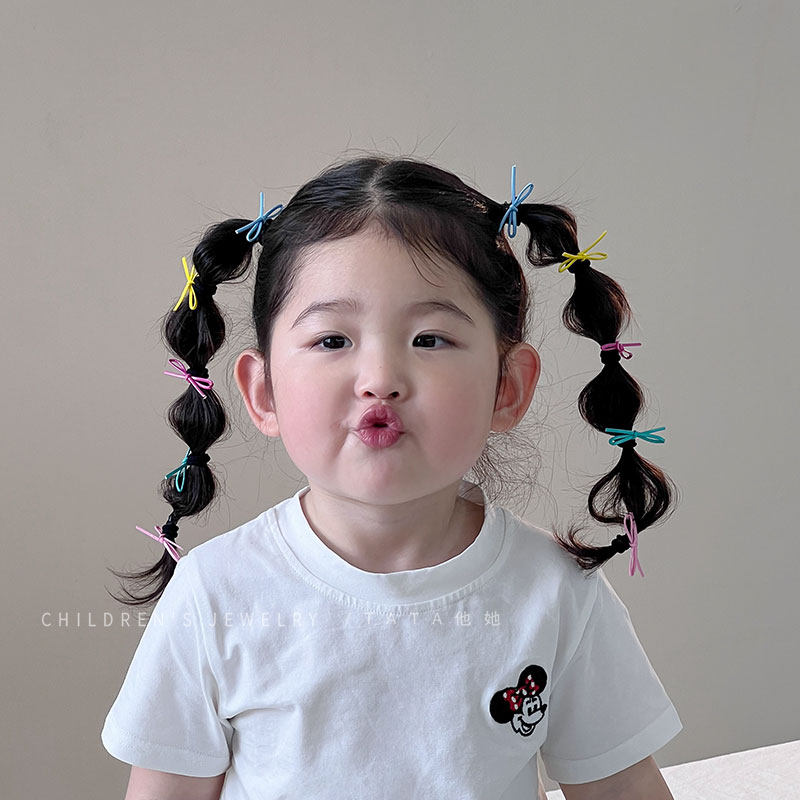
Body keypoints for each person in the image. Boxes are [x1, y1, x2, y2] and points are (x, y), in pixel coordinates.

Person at [101, 156, 682, 800]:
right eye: (332, 340)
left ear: (507, 387)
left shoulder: (555, 591)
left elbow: (623, 788)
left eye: (429, 339)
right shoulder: (216, 594)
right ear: (262, 392)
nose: (380, 378)